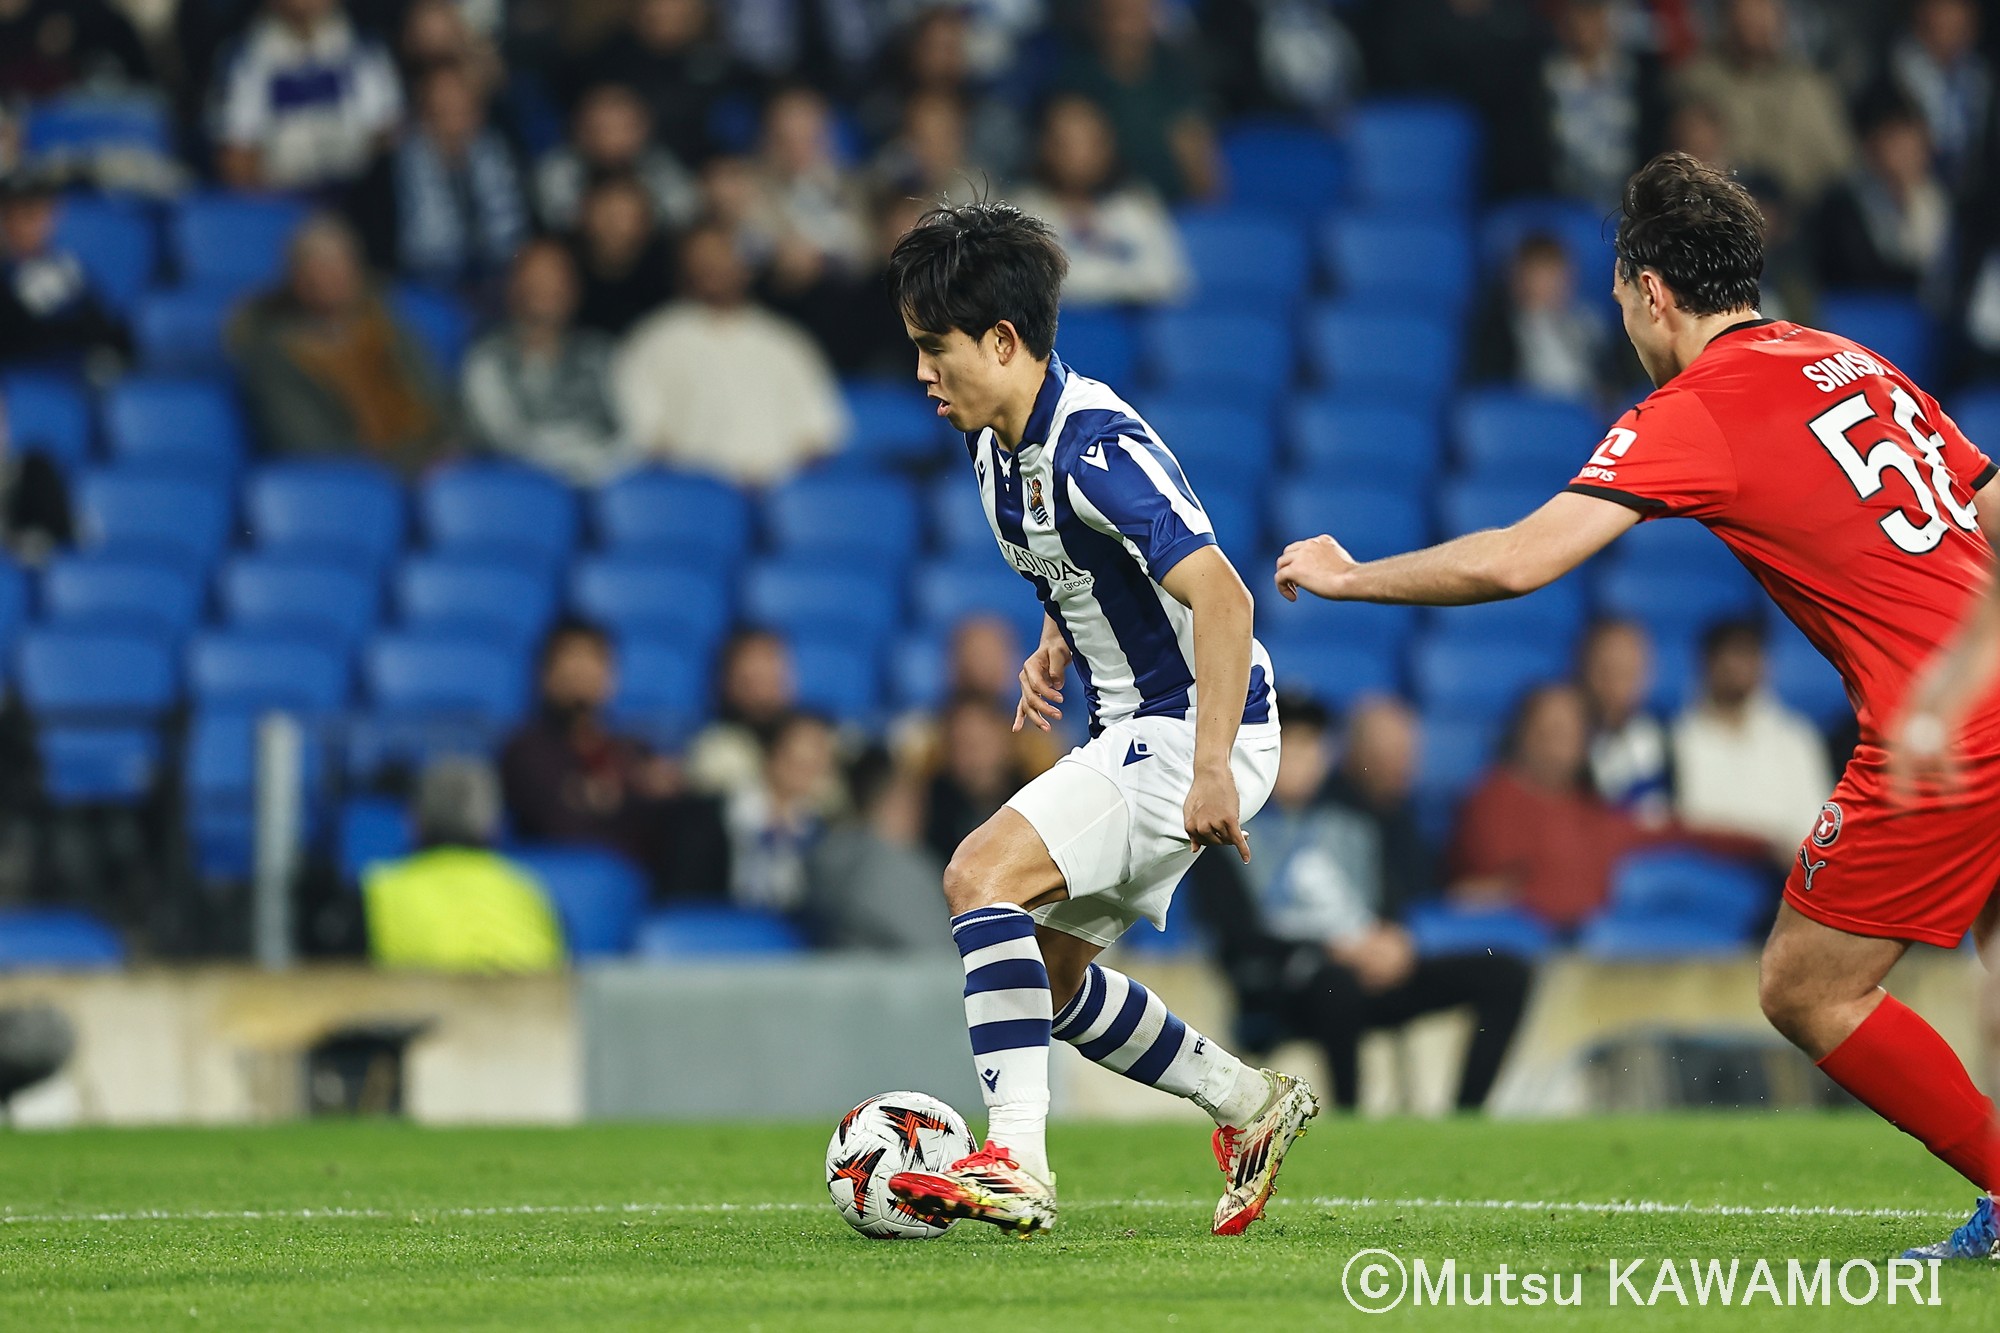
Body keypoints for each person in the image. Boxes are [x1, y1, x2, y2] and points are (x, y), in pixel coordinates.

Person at [1274, 150, 2000, 1258]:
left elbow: (1519, 559)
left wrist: (1349, 573)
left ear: (1652, 291)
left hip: (1944, 724)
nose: (1620, 317)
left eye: (1618, 295)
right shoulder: (1852, 360)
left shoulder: (1697, 404)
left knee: (1806, 987)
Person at [878, 201, 1311, 1240]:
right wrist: (1056, 636)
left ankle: (1016, 1161)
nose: (923, 372)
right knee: (1050, 980)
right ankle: (1249, 1102)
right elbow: (1080, 558)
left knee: (977, 875)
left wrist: (1210, 767)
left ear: (1003, 341)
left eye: (936, 348)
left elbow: (1224, 598)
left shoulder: (1093, 447)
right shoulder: (993, 441)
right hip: (1140, 724)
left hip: (1192, 725)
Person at [1201, 696, 1530, 1112]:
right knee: (1337, 982)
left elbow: (1389, 908)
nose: (1302, 760)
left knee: (1507, 974)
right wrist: (1333, 951)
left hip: (1366, 973)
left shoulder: (1357, 824)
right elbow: (1237, 938)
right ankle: (1349, 1115)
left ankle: (1467, 1116)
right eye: (1289, 747)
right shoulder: (1224, 836)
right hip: (1287, 986)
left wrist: (1394, 944)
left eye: (1311, 746)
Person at [498, 618, 727, 898]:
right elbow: (564, 825)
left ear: (611, 675)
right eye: (571, 660)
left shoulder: (634, 750)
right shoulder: (525, 750)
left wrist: (608, 797)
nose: (582, 672)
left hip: (640, 889)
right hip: (555, 890)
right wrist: (637, 791)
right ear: (545, 674)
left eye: (593, 660)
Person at [613, 221, 847, 485]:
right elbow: (645, 437)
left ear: (744, 265)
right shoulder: (652, 340)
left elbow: (819, 434)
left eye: (722, 255)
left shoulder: (785, 342)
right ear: (682, 268)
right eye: (701, 259)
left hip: (778, 493)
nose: (714, 267)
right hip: (690, 495)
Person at [228, 214, 458, 476]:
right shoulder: (273, 360)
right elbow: (312, 450)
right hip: (363, 484)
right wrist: (414, 469)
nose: (336, 277)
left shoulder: (389, 326)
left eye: (341, 264)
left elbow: (439, 402)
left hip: (439, 469)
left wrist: (453, 448)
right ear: (298, 280)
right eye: (321, 267)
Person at [363, 757, 565, 974]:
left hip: (416, 995)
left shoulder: (376, 889)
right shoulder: (530, 890)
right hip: (529, 996)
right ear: (494, 825)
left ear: (412, 822)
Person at [462, 240, 630, 485]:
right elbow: (506, 441)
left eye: (557, 278)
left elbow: (629, 434)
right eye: (536, 278)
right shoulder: (487, 360)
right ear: (513, 287)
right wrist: (574, 463)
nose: (547, 287)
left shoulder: (603, 354)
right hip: (525, 492)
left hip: (604, 486)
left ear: (575, 289)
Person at [1008, 94, 1189, 308]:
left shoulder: (1136, 205)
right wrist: (1118, 281)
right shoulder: (1023, 212)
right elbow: (1031, 288)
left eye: (1090, 142)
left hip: (1133, 325)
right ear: (1046, 147)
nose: (1079, 155)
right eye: (1067, 143)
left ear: (1107, 147)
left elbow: (1168, 279)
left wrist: (1107, 287)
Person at [1673, 619, 1833, 860]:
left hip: (1787, 871)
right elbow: (1691, 822)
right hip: (1709, 870)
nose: (1739, 667)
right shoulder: (1679, 739)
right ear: (1707, 663)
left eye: (1748, 655)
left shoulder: (1796, 737)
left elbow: (1817, 826)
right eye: (1732, 655)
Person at [1671, 0, 1854, 208]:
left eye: (1765, 8)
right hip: (1720, 212)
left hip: (1802, 216)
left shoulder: (1811, 90)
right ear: (1725, 15)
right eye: (1747, 8)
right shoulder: (1694, 83)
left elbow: (1840, 170)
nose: (1757, 19)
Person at [212, 0, 403, 194]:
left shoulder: (366, 49)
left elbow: (388, 139)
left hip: (359, 194)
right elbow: (236, 161)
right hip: (280, 198)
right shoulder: (245, 58)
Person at [1049, 0, 1219, 203]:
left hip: (1172, 205)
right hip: (1104, 204)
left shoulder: (1173, 70)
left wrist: (1206, 204)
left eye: (1136, 15)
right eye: (1117, 16)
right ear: (1097, 19)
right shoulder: (1078, 76)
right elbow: (1073, 155)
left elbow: (1197, 152)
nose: (1126, 29)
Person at [393, 63, 529, 295]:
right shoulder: (398, 165)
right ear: (423, 112)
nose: (452, 117)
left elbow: (516, 237)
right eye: (441, 109)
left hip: (503, 279)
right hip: (426, 286)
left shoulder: (503, 149)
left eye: (460, 107)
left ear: (478, 110)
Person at [805, 745, 951, 953]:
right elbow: (941, 956)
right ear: (899, 802)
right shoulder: (900, 870)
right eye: (919, 803)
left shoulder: (825, 855)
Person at [1813, 93, 1952, 300]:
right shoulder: (1842, 208)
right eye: (1895, 141)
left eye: (1914, 140)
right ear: (1871, 146)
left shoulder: (1940, 200)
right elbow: (1855, 274)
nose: (1908, 152)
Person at [1466, 233, 1620, 407]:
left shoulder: (1590, 322)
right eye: (1543, 275)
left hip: (1587, 413)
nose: (1554, 284)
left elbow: (1613, 381)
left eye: (1558, 274)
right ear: (1520, 279)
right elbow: (1494, 391)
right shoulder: (1500, 330)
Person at [0, 170, 129, 370]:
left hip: (69, 375)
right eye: (13, 213)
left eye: (35, 213)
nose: (24, 224)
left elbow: (108, 332)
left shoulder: (68, 269)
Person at [535, 83, 700, 236]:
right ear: (580, 131)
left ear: (643, 129)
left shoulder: (657, 164)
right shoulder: (559, 167)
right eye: (601, 128)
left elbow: (683, 210)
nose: (612, 139)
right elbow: (557, 217)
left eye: (622, 128)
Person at [725, 710, 837, 914]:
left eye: (820, 748)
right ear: (771, 751)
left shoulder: (821, 834)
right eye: (804, 745)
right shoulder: (717, 815)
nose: (811, 757)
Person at [685, 627, 799, 798]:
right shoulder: (716, 753)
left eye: (772, 678)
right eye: (751, 680)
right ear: (726, 681)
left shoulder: (820, 741)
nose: (762, 693)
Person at [1575, 617, 1671, 818]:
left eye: (1626, 670)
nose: (1614, 682)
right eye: (1605, 668)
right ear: (1584, 667)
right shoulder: (1567, 742)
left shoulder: (1671, 736)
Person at [921, 692, 1032, 866]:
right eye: (963, 745)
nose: (974, 757)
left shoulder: (1032, 798)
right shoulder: (926, 808)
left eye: (982, 743)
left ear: (1006, 741)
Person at [566, 174, 675, 338]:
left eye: (624, 216)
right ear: (583, 217)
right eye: (607, 215)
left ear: (647, 223)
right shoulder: (562, 268)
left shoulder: (670, 273)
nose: (614, 226)